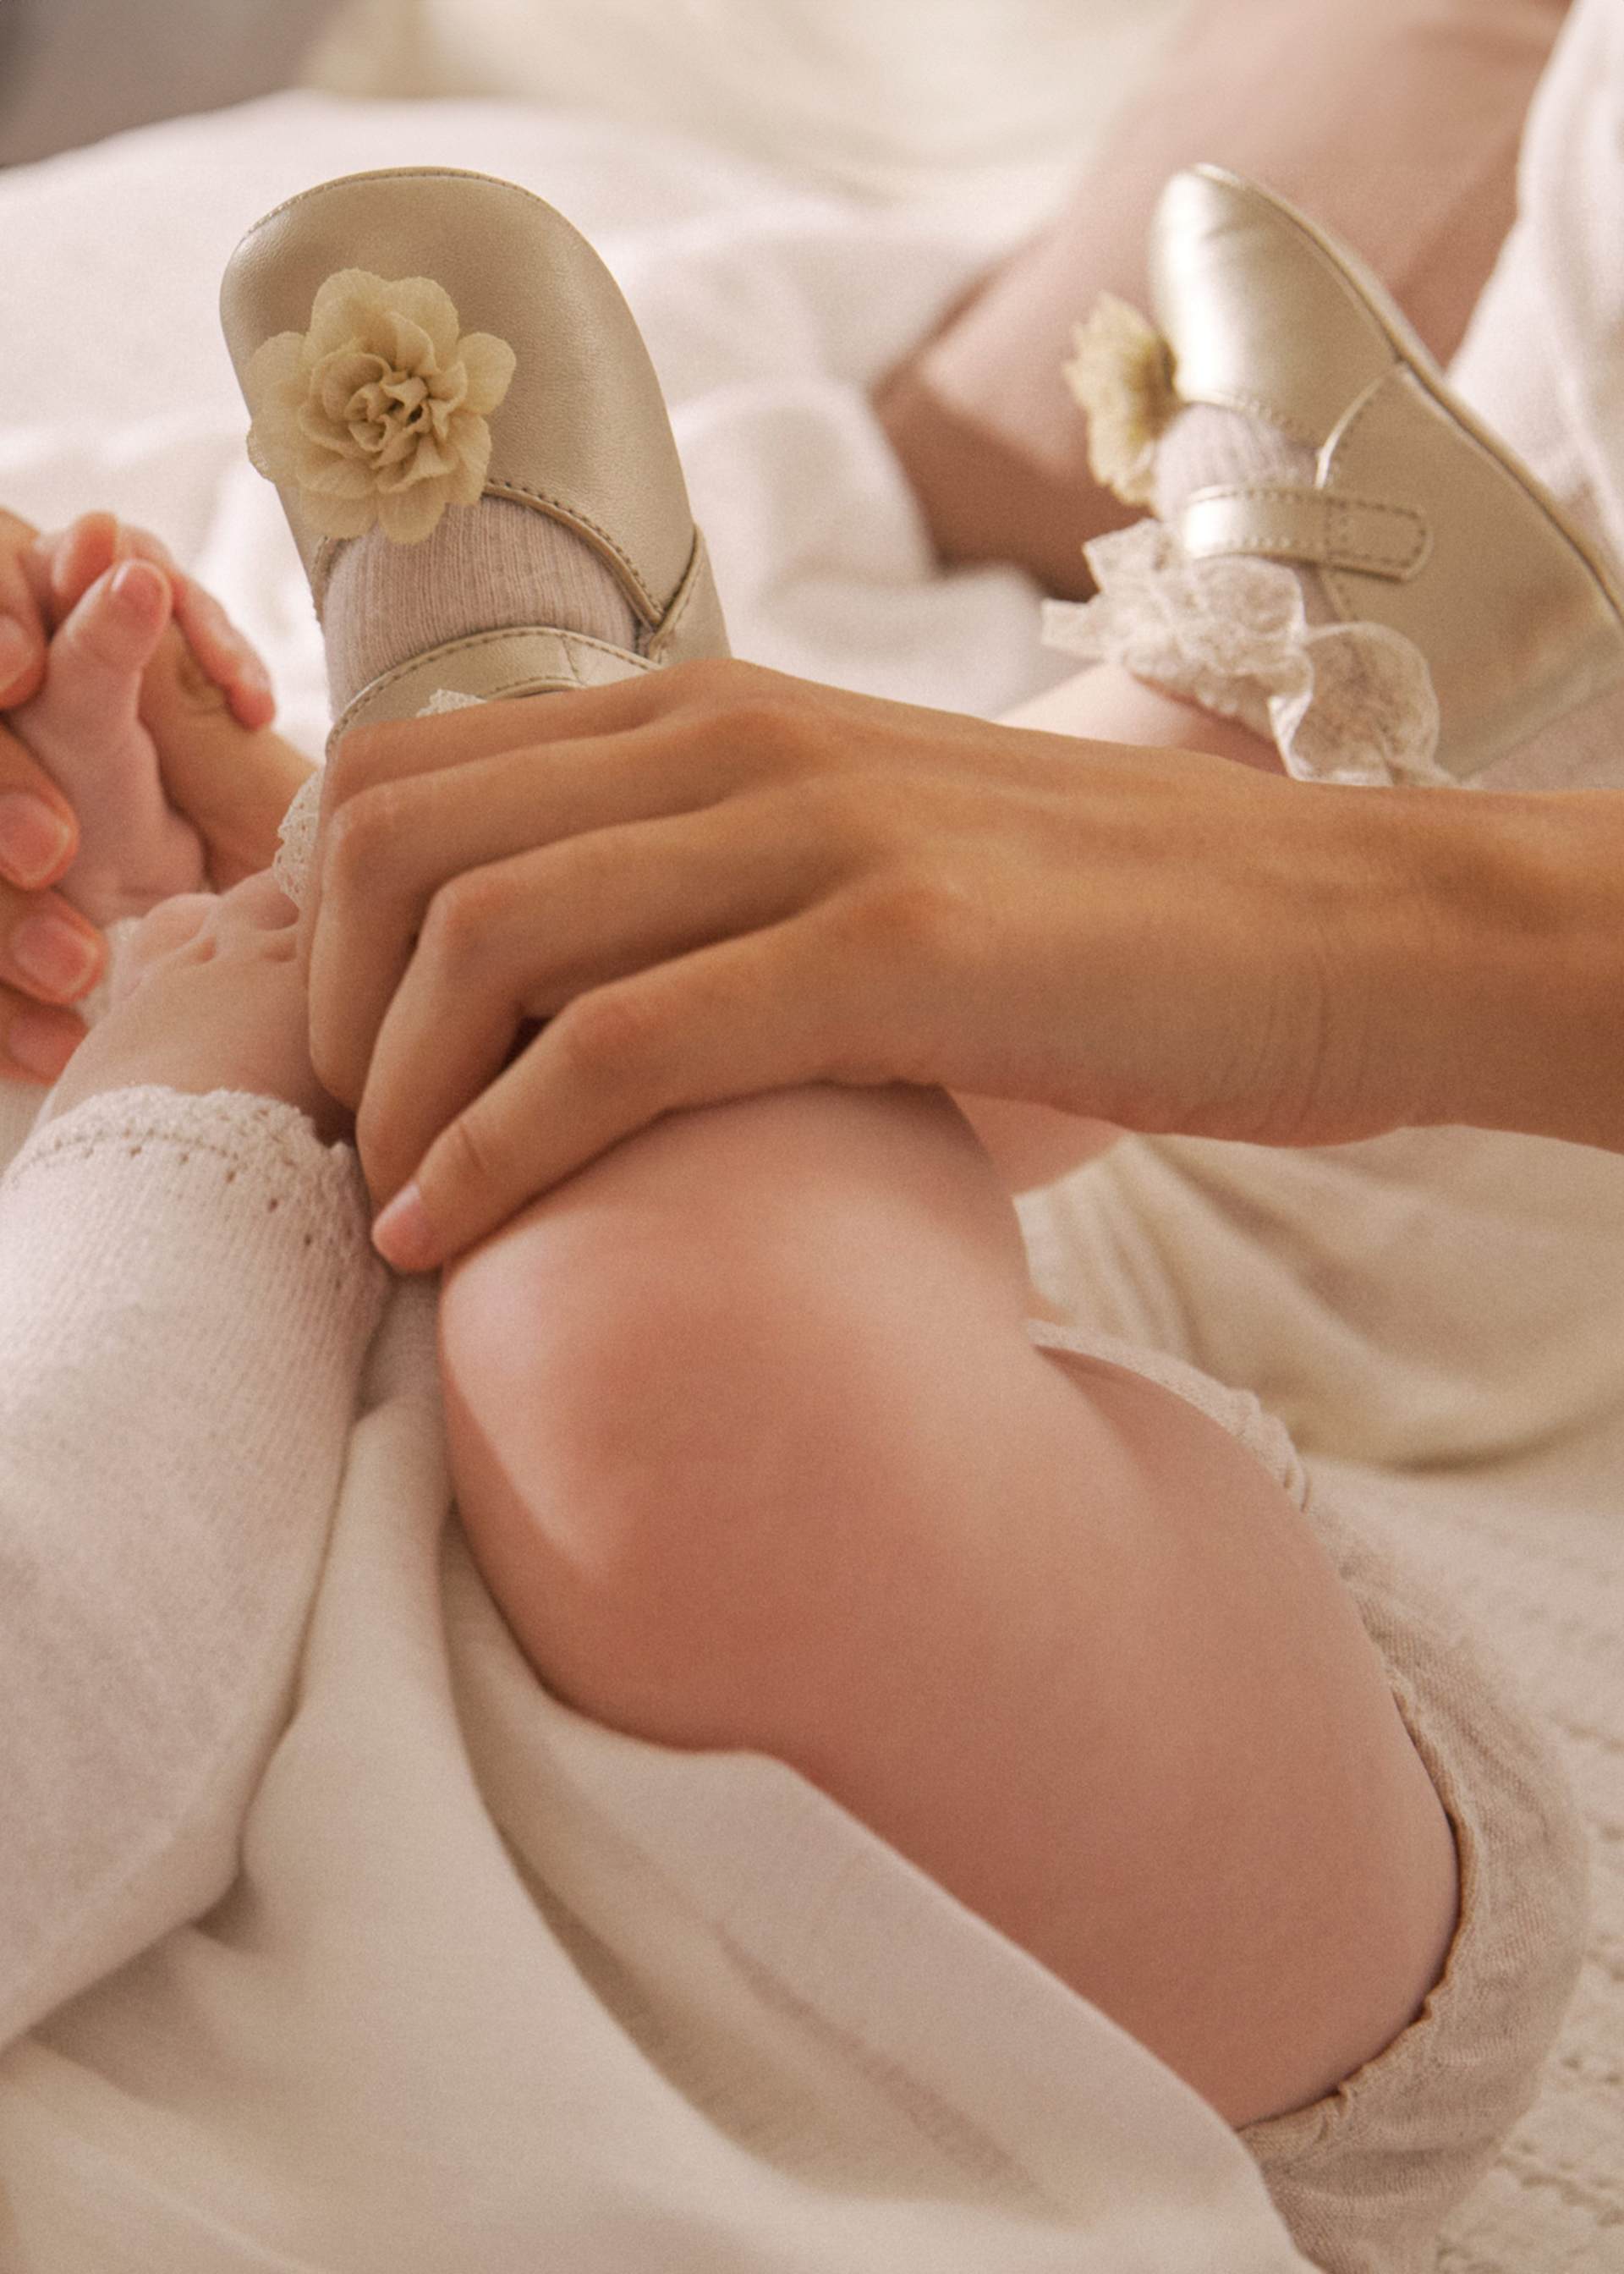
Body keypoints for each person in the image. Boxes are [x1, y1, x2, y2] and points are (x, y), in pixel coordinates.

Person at [0, 133, 1605, 2271]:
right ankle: (623, 798)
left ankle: (1258, 740)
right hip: (1010, 1991)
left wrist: (156, 1089)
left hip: (554, 1702)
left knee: (592, 1283)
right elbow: (71, 1686)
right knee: (660, 1366)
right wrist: (182, 1110)